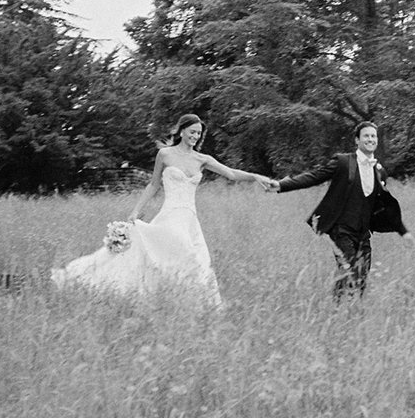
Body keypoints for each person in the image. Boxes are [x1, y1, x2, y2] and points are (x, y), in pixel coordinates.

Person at [52, 114, 272, 306]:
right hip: (170, 214)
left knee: (194, 259)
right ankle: (88, 278)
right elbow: (153, 184)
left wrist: (255, 176)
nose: (195, 137)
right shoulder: (165, 155)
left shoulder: (202, 159)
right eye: (192, 132)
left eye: (199, 134)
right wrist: (136, 210)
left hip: (189, 218)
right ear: (182, 131)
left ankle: (183, 302)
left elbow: (231, 174)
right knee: (180, 249)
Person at [264, 121, 409, 301]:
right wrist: (281, 185)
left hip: (363, 232)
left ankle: (353, 311)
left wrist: (403, 231)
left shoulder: (379, 171)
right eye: (366, 135)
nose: (370, 139)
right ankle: (337, 308)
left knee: (362, 275)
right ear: (357, 140)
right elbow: (314, 177)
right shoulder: (343, 162)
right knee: (348, 270)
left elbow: (384, 206)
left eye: (373, 136)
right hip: (341, 229)